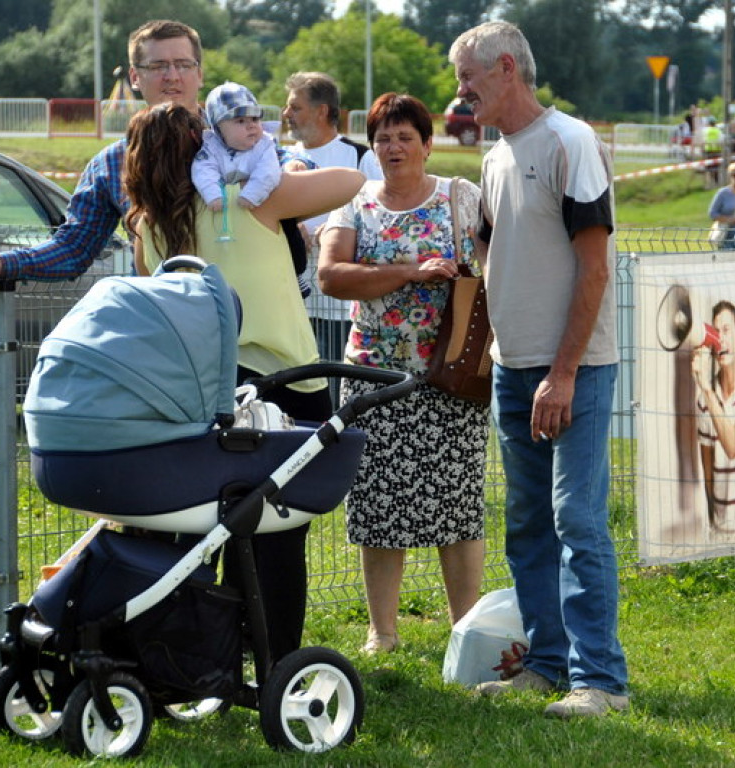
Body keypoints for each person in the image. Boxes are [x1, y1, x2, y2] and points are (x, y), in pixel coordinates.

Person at [125, 103, 365, 663]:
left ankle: (205, 655)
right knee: (277, 532)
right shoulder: (252, 200)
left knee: (208, 526)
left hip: (204, 388)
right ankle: (276, 658)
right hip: (285, 385)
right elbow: (353, 179)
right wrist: (288, 172)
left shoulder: (148, 228)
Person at [449, 21, 629, 719]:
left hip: (572, 372)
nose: (460, 94)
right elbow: (495, 252)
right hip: (511, 371)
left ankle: (601, 680)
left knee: (576, 520)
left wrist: (563, 372)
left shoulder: (571, 142)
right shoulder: (496, 157)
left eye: (467, 78)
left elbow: (594, 266)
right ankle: (548, 666)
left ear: (504, 69)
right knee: (527, 525)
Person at [317, 92, 487, 655]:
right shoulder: (355, 205)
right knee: (378, 506)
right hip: (373, 379)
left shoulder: (462, 199)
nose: (392, 148)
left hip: (452, 377)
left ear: (427, 143)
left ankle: (465, 629)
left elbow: (498, 268)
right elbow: (332, 277)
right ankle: (381, 632)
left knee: (457, 504)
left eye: (403, 137)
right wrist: (410, 273)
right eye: (382, 138)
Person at [0, 19, 309, 286]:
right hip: (164, 318)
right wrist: (2, 264)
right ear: (134, 77)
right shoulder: (112, 163)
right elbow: (74, 248)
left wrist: (297, 165)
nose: (171, 75)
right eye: (157, 66)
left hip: (252, 308)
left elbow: (292, 166)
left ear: (199, 74)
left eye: (183, 65)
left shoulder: (243, 138)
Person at [282, 71, 384, 403]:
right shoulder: (280, 158)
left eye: (295, 107)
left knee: (336, 391)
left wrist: (339, 228)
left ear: (323, 111)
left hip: (340, 307)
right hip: (290, 299)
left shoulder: (359, 157)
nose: (287, 115)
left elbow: (382, 212)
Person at [691, 301, 735, 533]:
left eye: (726, 331)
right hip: (719, 529)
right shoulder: (703, 401)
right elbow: (707, 470)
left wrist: (707, 389)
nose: (721, 340)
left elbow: (734, 446)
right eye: (716, 333)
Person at [192, 82, 281, 213]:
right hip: (225, 214)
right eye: (240, 121)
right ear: (219, 129)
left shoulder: (264, 145)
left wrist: (252, 194)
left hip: (261, 206)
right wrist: (213, 195)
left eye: (255, 119)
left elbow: (269, 171)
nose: (251, 126)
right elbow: (202, 170)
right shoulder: (211, 147)